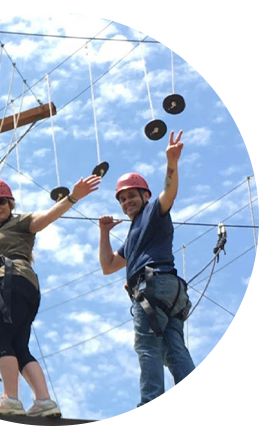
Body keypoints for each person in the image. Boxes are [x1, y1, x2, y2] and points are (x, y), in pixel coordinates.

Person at [0, 175, 101, 417]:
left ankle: (11, 399)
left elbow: (46, 218)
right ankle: (44, 401)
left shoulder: (20, 223)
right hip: (21, 286)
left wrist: (73, 196)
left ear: (11, 203)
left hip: (12, 281)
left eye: (1, 201)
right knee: (18, 346)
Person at [99, 131, 208, 424]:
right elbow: (108, 265)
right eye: (122, 199)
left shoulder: (153, 213)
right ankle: (192, 408)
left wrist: (171, 162)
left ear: (145, 196)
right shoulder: (132, 236)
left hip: (153, 286)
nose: (127, 202)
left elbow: (169, 193)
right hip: (168, 291)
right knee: (173, 349)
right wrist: (104, 233)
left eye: (131, 195)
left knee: (146, 345)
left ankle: (150, 409)